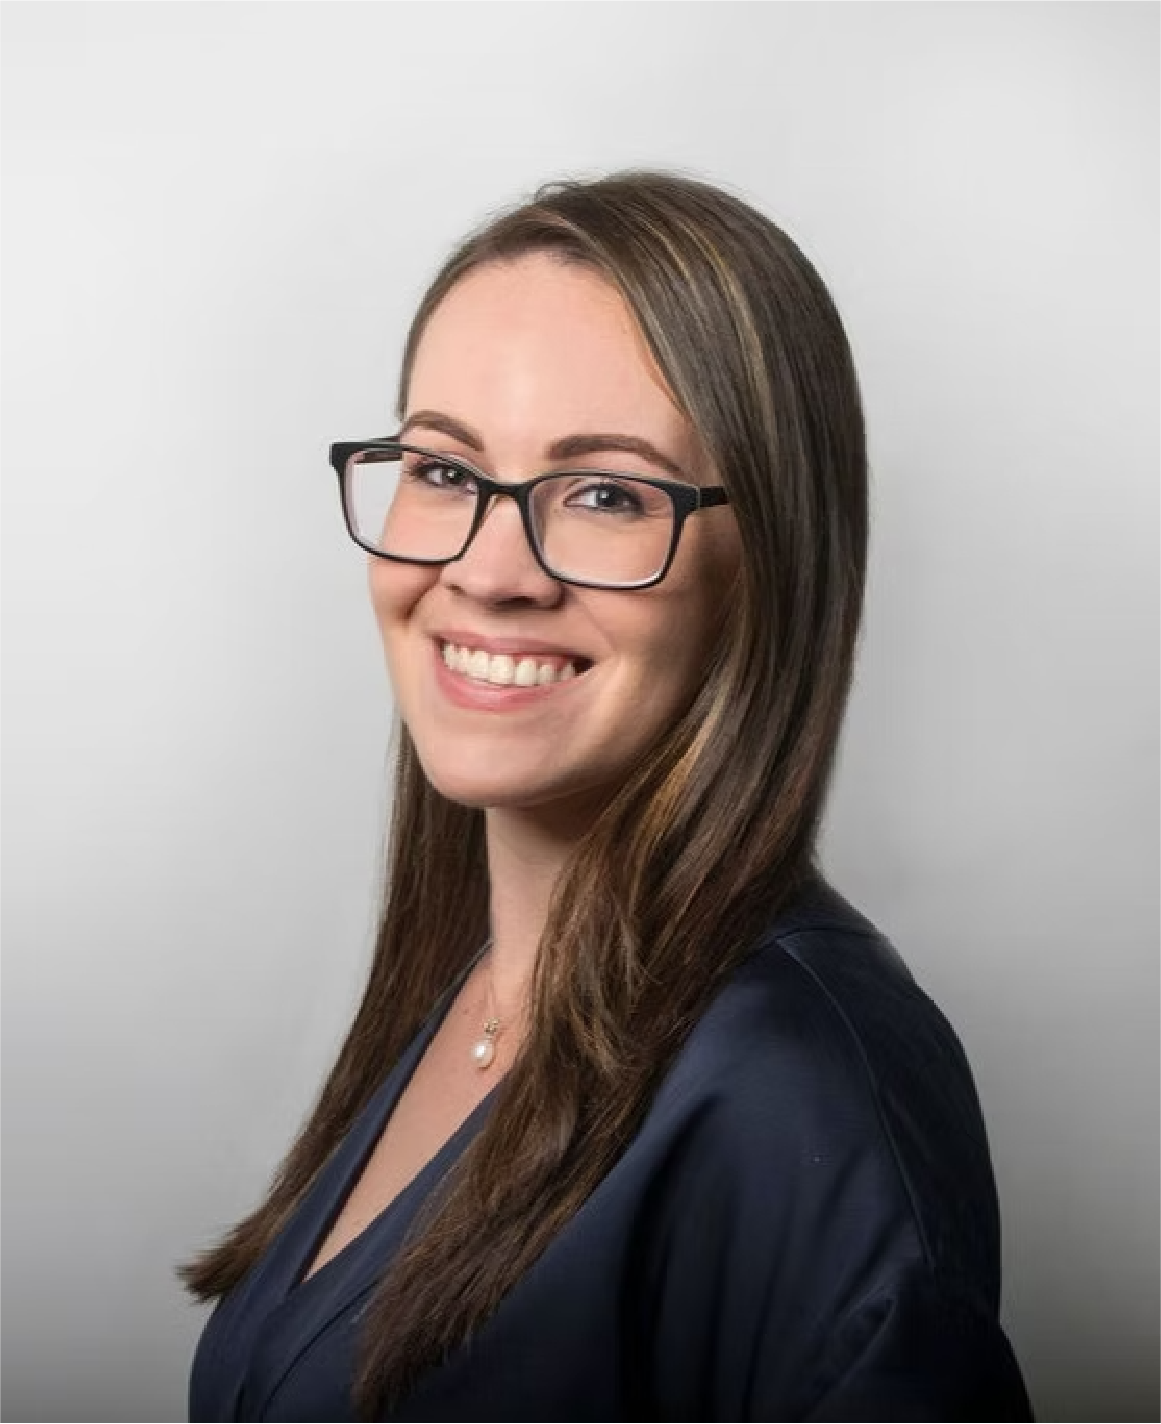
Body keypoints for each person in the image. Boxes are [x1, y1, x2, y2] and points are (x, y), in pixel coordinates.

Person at [183, 171, 1032, 1422]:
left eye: (606, 493)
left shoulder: (800, 1097)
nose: (487, 569)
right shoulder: (471, 986)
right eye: (442, 468)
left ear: (770, 565)